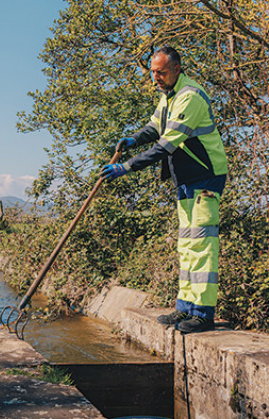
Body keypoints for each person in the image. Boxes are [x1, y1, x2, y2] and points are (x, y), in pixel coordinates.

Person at [101, 47, 228, 334]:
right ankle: (185, 308)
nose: (156, 77)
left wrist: (126, 167)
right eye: (153, 72)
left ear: (177, 69)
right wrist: (133, 139)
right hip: (186, 179)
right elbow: (154, 128)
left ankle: (203, 314)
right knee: (186, 245)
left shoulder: (190, 97)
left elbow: (166, 145)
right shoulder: (168, 95)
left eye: (162, 72)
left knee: (202, 245)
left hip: (205, 179)